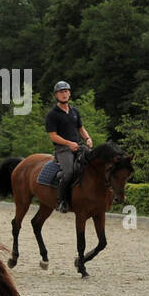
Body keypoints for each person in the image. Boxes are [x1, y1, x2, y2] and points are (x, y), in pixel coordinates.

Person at [45, 80, 93, 213]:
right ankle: (61, 201)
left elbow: (81, 129)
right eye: (61, 92)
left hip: (78, 146)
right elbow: (53, 136)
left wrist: (88, 138)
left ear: (70, 94)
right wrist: (68, 143)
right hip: (63, 149)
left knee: (94, 165)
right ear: (56, 95)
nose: (64, 94)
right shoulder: (52, 114)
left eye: (66, 91)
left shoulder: (75, 111)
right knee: (69, 172)